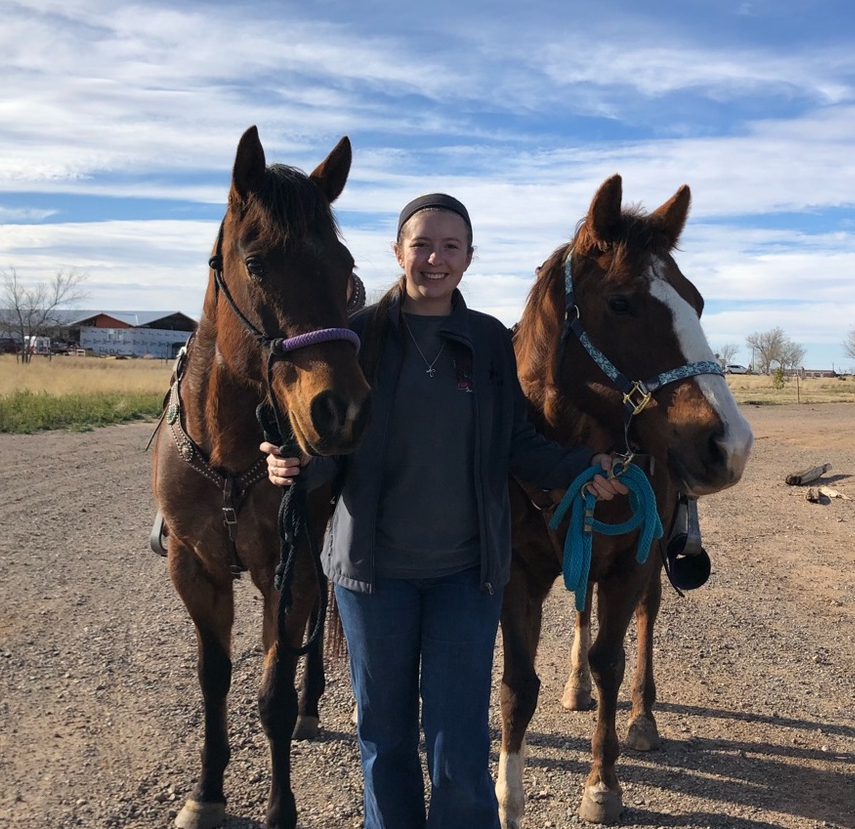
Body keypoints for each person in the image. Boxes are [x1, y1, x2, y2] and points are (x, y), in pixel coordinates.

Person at [262, 193, 627, 829]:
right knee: (384, 736)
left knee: (459, 740)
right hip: (372, 577)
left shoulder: (488, 341)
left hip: (467, 574)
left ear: (468, 258)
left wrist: (578, 468)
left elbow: (515, 439)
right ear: (398, 251)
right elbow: (332, 444)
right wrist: (296, 465)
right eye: (422, 244)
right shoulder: (360, 335)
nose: (435, 259)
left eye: (450, 246)